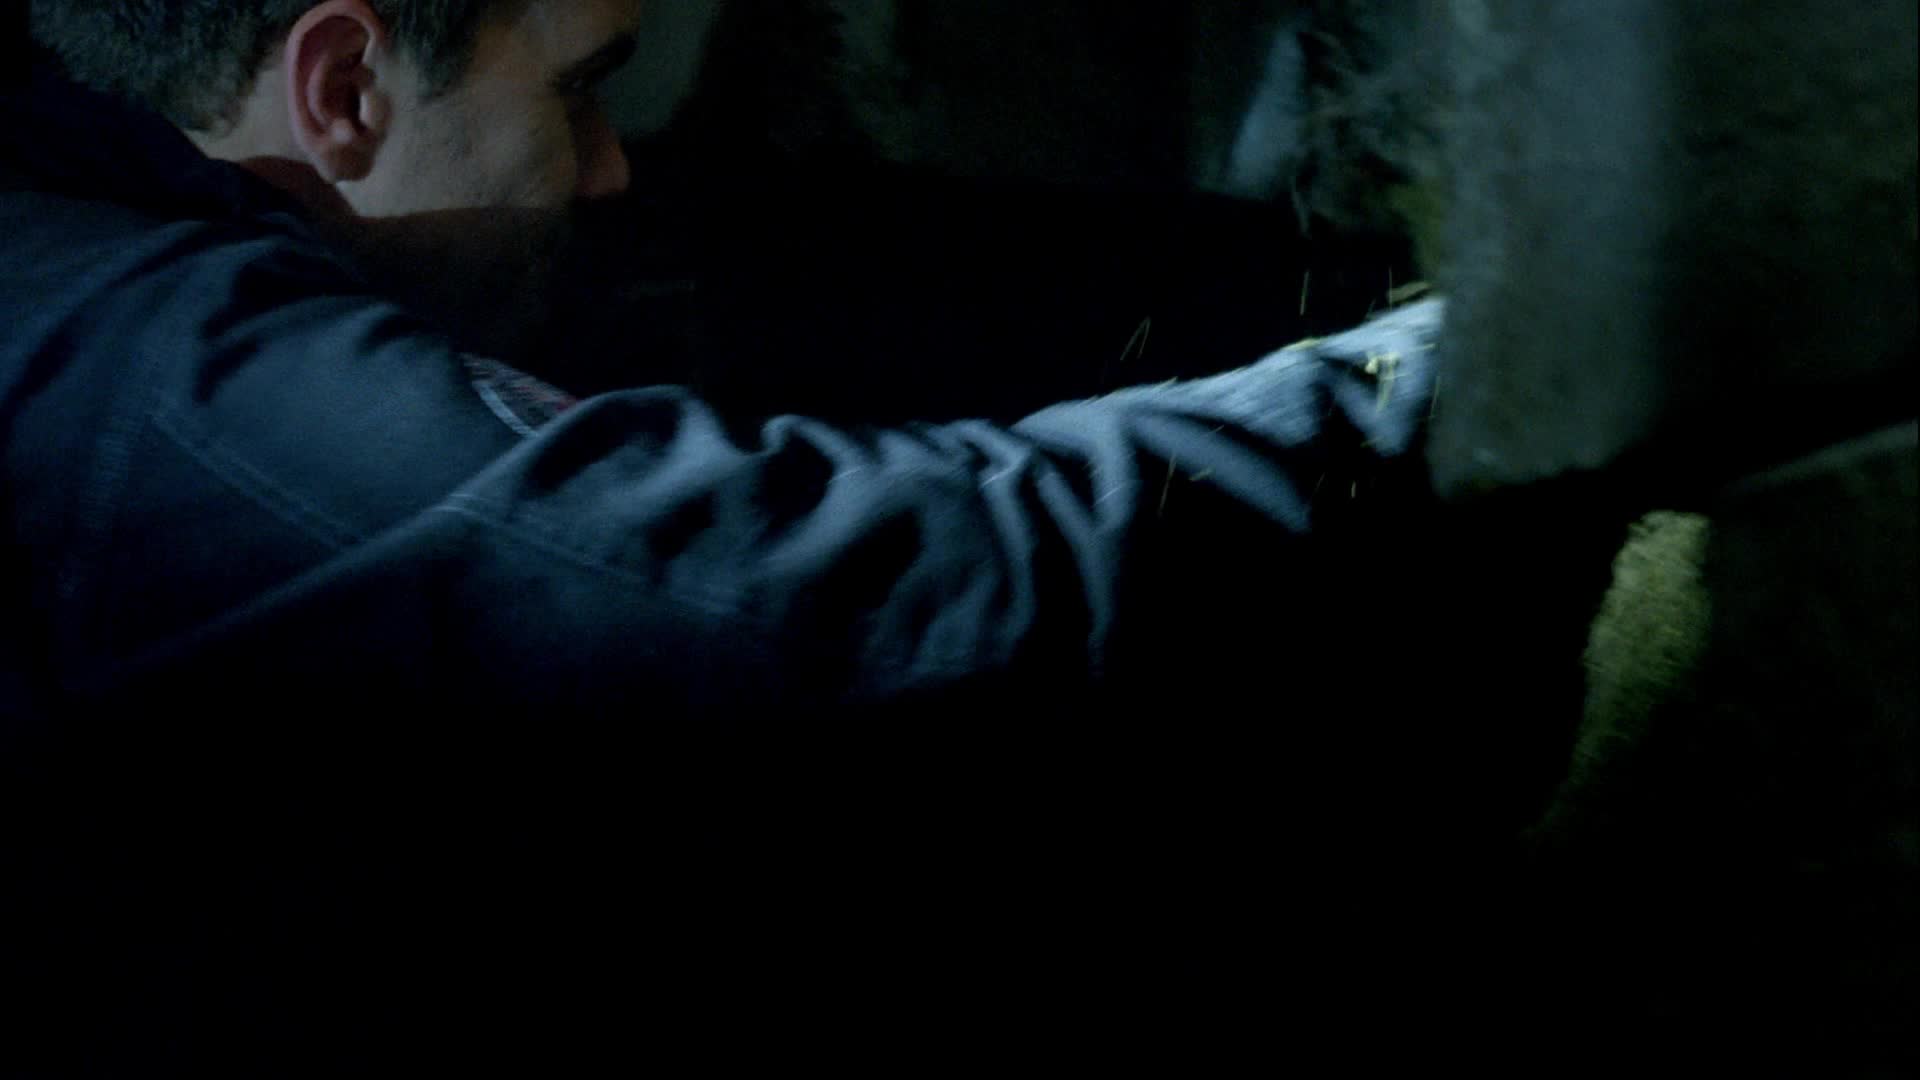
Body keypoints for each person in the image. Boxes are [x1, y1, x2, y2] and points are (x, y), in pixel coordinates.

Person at [2, 0, 1463, 1070]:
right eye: (581, 90)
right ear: (343, 89)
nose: (609, 166)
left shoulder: (67, 236)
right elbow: (814, 577)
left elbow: (768, 273)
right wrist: (1441, 381)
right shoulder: (177, 388)